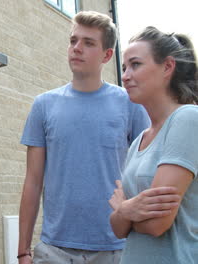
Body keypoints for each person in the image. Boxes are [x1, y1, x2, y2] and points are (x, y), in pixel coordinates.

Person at [18, 11, 151, 264]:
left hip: (116, 248)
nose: (77, 48)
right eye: (73, 41)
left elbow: (144, 175)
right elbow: (33, 182)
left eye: (88, 43)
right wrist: (23, 251)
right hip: (54, 249)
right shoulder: (43, 105)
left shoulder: (131, 104)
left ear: (107, 55)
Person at [109, 26, 198, 263]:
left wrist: (123, 210)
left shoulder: (188, 119)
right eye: (124, 67)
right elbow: (116, 229)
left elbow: (157, 224)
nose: (125, 75)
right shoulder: (139, 139)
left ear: (168, 67)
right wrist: (128, 210)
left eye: (135, 64)